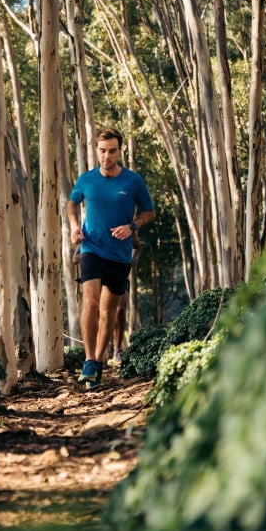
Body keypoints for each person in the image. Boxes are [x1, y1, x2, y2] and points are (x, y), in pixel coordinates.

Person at [67, 127, 154, 388]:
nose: (107, 156)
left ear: (120, 150)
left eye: (112, 151)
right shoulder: (86, 179)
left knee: (109, 310)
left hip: (120, 254)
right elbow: (72, 203)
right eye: (102, 151)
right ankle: (88, 360)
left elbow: (149, 212)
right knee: (91, 302)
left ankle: (99, 363)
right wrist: (73, 226)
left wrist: (132, 227)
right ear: (96, 150)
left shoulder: (133, 181)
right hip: (91, 248)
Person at [110, 231, 141, 365]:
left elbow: (138, 247)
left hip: (122, 276)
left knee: (121, 309)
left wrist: (134, 259)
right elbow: (76, 257)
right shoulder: (97, 222)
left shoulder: (127, 226)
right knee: (101, 313)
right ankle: (95, 355)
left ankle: (117, 350)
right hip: (100, 276)